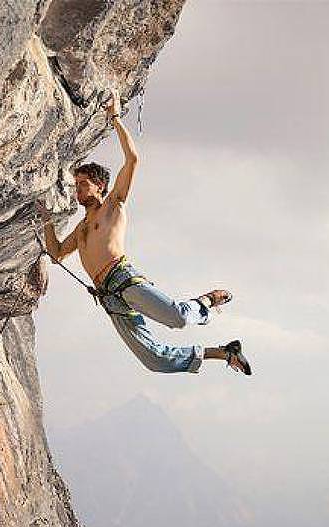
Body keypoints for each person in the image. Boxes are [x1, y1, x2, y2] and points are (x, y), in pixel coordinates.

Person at [39, 89, 252, 375]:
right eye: (76, 184)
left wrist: (114, 118)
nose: (78, 190)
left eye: (84, 184)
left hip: (124, 279)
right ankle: (223, 353)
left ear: (100, 186)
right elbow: (55, 254)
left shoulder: (113, 205)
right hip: (108, 296)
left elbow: (132, 160)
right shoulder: (81, 229)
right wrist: (45, 218)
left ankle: (207, 301)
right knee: (154, 360)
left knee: (176, 318)